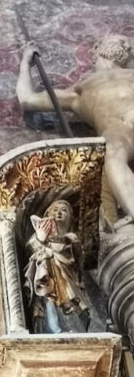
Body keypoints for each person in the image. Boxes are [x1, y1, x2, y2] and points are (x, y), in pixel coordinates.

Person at [17, 36, 134, 222]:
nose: (126, 44)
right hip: (117, 131)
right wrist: (25, 62)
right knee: (111, 152)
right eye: (119, 40)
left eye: (126, 44)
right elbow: (27, 99)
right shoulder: (79, 91)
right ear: (98, 46)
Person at [24, 200, 90, 333]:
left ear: (70, 218)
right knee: (48, 298)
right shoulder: (38, 235)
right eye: (55, 210)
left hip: (67, 279)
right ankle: (53, 329)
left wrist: (80, 281)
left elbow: (78, 261)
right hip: (47, 280)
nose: (59, 213)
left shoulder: (71, 238)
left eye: (64, 210)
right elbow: (30, 248)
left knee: (71, 301)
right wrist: (40, 239)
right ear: (48, 214)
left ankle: (73, 328)